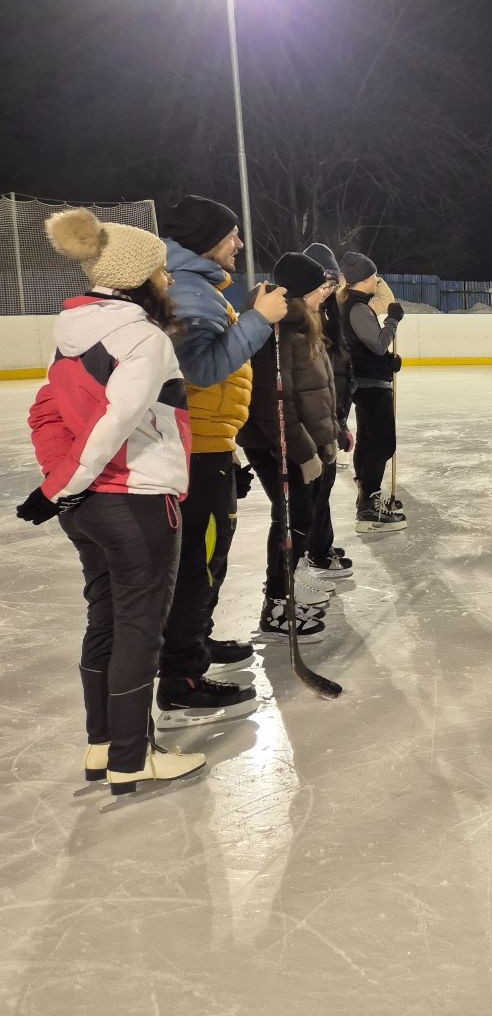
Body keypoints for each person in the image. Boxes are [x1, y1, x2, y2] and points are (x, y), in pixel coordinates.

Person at [18, 207, 205, 796]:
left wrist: (61, 483)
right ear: (138, 278)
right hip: (135, 500)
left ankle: (103, 744)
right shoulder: (141, 338)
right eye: (161, 270)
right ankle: (130, 757)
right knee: (139, 628)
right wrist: (62, 485)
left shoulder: (73, 332)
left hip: (89, 507)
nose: (169, 280)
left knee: (106, 618)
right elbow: (114, 420)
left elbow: (46, 412)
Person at [158, 195, 285, 723]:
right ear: (209, 238)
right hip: (196, 452)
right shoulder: (190, 292)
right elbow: (203, 370)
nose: (238, 244)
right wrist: (258, 320)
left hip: (209, 444)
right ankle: (183, 676)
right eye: (232, 234)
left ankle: (196, 645)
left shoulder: (199, 287)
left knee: (208, 557)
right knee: (199, 561)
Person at [237, 254, 342, 640]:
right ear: (303, 292)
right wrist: (303, 452)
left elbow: (318, 390)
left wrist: (331, 432)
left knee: (303, 516)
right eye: (319, 291)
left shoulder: (303, 325)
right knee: (292, 518)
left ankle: (289, 586)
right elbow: (273, 404)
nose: (324, 298)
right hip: (273, 443)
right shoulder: (277, 330)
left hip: (300, 440)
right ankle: (277, 604)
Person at [339, 251, 407, 532]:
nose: (377, 280)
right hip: (370, 385)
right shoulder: (356, 307)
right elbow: (377, 344)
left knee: (369, 442)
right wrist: (392, 322)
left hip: (368, 380)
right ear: (363, 280)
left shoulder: (356, 305)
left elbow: (370, 349)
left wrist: (386, 362)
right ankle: (369, 504)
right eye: (373, 276)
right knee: (382, 444)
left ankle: (368, 497)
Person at [302, 243, 355, 578]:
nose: (329, 291)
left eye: (333, 285)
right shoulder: (302, 321)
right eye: (323, 285)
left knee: (325, 487)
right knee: (314, 491)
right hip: (312, 422)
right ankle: (315, 550)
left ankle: (321, 545)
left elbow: (337, 375)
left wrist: (341, 420)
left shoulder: (329, 317)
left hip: (331, 416)